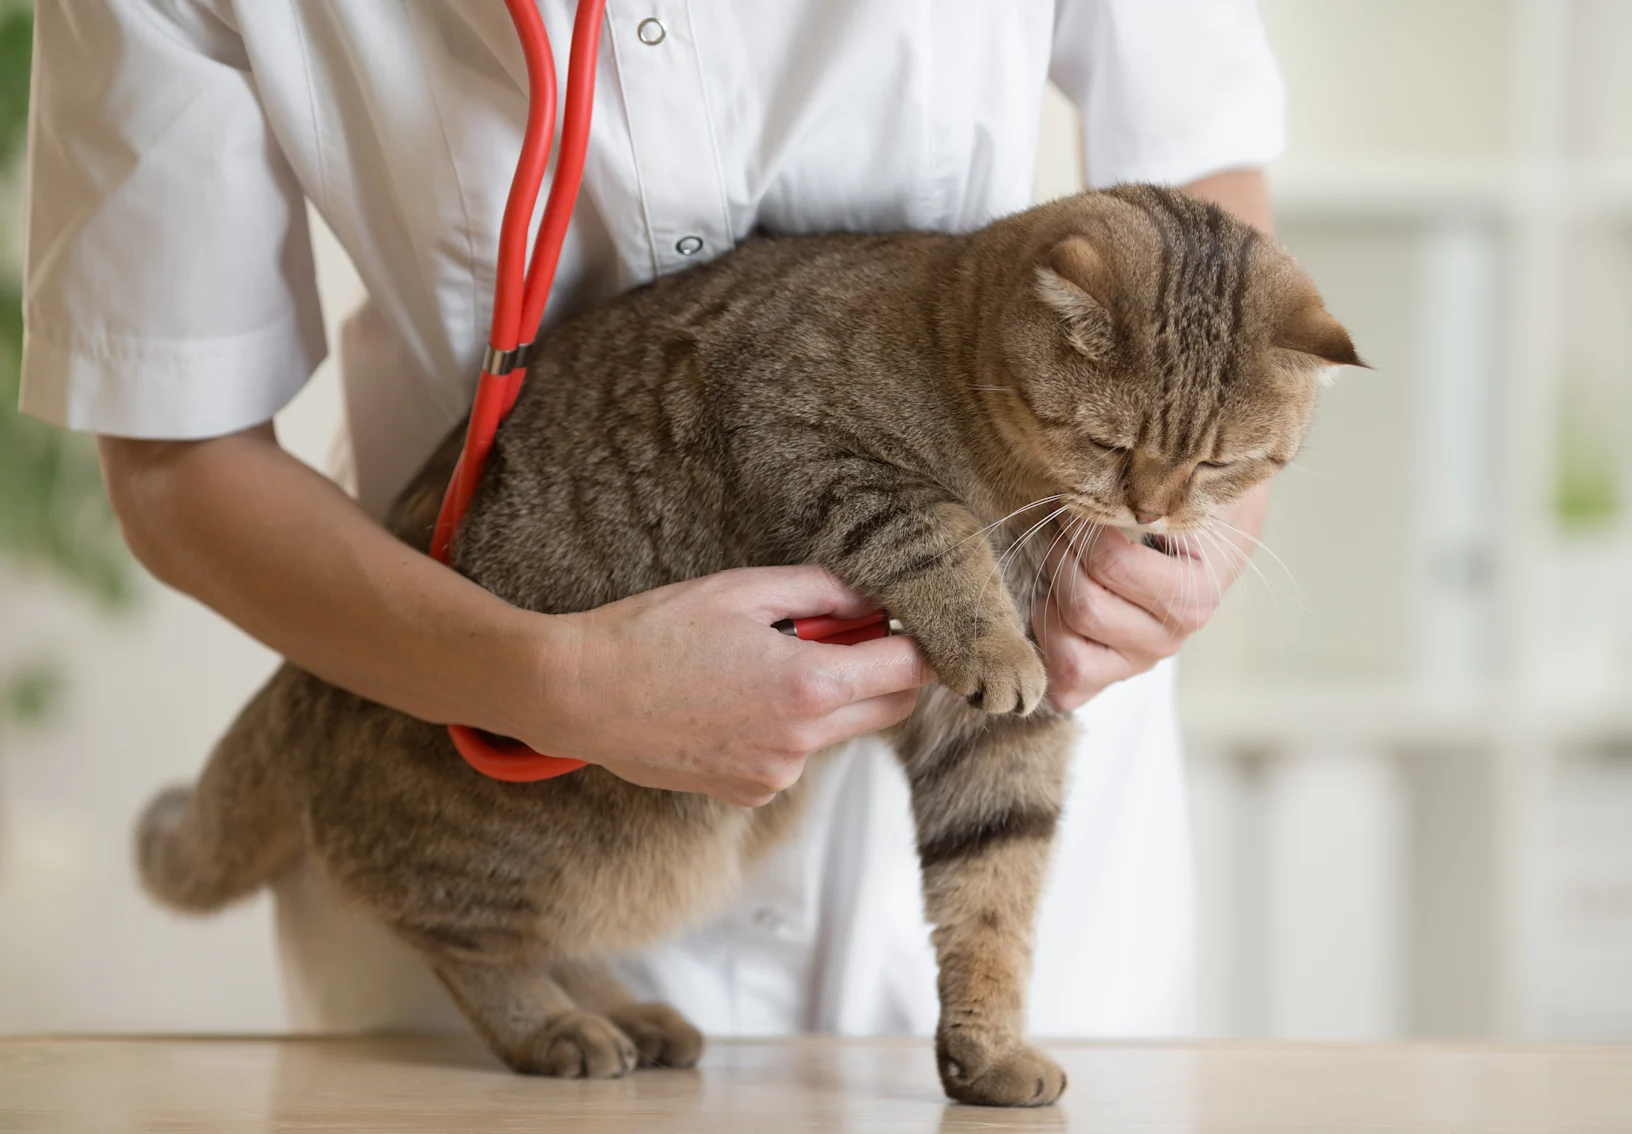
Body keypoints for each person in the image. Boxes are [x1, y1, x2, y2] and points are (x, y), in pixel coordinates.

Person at [22, 1, 1282, 1036]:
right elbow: (175, 457)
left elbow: (1208, 161)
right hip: (479, 738)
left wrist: (1203, 533)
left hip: (1016, 757)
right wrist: (544, 682)